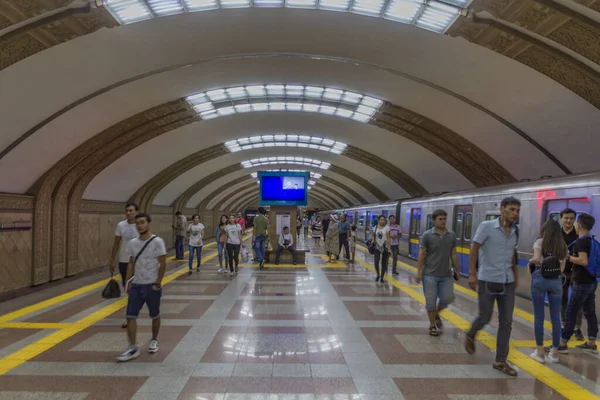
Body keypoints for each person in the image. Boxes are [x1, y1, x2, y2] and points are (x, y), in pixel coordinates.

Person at [465, 197, 521, 377]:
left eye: (517, 210)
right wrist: (472, 274)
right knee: (485, 317)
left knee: (506, 322)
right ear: (502, 209)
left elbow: (513, 254)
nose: (515, 213)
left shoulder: (515, 231)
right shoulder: (486, 226)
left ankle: (500, 360)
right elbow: (474, 248)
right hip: (488, 279)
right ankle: (471, 333)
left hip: (508, 281)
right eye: (512, 209)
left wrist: (516, 276)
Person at [117, 213, 167, 362]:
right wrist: (128, 281)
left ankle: (154, 339)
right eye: (138, 223)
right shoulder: (133, 243)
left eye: (142, 222)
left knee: (155, 314)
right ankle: (132, 347)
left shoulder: (157, 242)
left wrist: (158, 283)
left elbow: (163, 262)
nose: (140, 225)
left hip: (152, 285)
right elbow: (131, 262)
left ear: (148, 224)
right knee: (130, 316)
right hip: (137, 285)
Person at [553, 213, 598, 354]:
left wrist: (568, 257)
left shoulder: (581, 241)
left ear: (578, 225)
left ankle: (562, 343)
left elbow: (583, 261)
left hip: (582, 282)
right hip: (591, 281)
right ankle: (591, 342)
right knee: (589, 312)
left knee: (570, 311)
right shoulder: (591, 240)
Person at [416, 209, 459, 337]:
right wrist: (418, 271)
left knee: (448, 298)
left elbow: (453, 253)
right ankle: (432, 325)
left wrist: (458, 269)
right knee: (431, 301)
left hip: (446, 274)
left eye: (444, 219)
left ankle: (436, 314)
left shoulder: (451, 235)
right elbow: (422, 253)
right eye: (440, 219)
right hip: (429, 274)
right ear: (434, 220)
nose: (443, 221)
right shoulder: (427, 235)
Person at [528, 220, 566, 363]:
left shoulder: (539, 242)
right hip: (556, 281)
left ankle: (539, 352)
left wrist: (531, 262)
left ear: (545, 229)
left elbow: (537, 259)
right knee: (556, 318)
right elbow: (562, 269)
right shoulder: (562, 246)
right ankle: (554, 353)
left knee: (539, 317)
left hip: (540, 279)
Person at [109, 202, 139, 329]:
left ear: (136, 211)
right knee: (128, 289)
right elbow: (116, 243)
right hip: (124, 260)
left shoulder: (141, 224)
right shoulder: (121, 225)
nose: (128, 213)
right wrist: (112, 260)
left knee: (136, 289)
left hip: (138, 261)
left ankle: (130, 315)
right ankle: (131, 314)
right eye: (127, 210)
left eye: (131, 210)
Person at [559, 208, 584, 341]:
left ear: (575, 220)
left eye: (571, 218)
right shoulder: (557, 234)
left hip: (577, 271)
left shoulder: (579, 233)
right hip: (561, 272)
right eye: (566, 218)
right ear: (561, 219)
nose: (568, 220)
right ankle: (563, 325)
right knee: (562, 299)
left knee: (577, 301)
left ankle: (577, 327)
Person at [372, 215, 391, 284]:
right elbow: (373, 235)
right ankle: (378, 274)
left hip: (384, 247)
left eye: (383, 220)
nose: (382, 221)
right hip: (377, 247)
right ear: (378, 220)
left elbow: (388, 238)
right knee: (376, 262)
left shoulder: (387, 228)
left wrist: (389, 248)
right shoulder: (375, 227)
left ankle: (382, 277)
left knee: (383, 263)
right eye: (381, 220)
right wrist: (373, 240)